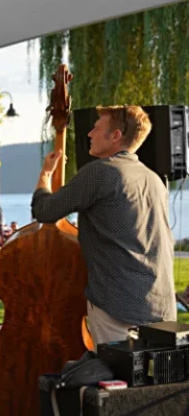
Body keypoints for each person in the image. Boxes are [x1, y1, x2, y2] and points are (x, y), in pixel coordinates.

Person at [31, 105, 176, 347]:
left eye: (97, 129)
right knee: (149, 381)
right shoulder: (153, 179)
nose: (89, 134)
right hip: (159, 301)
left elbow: (45, 211)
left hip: (118, 307)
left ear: (116, 136)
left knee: (115, 380)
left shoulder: (102, 173)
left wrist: (46, 175)